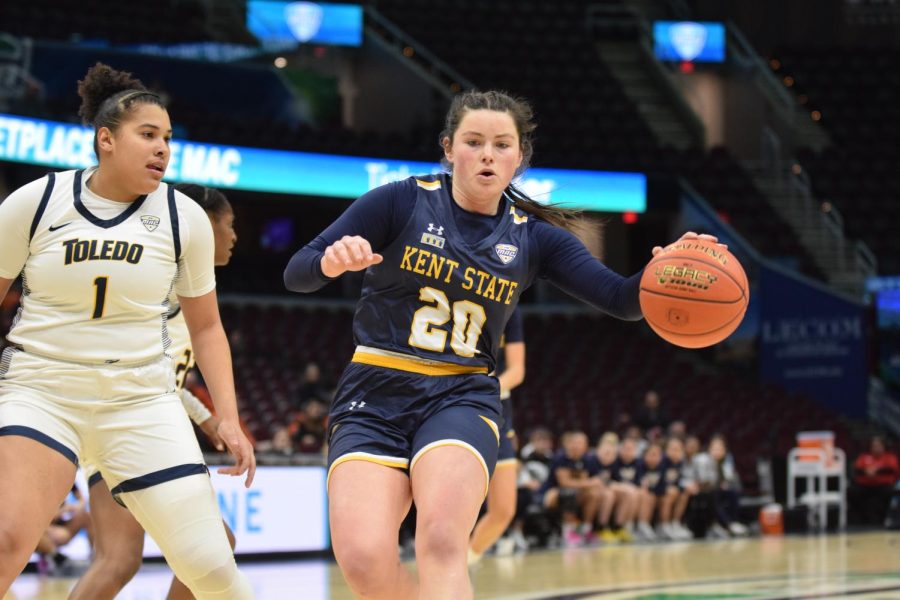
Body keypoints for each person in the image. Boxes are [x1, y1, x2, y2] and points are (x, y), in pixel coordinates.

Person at [283, 89, 720, 599]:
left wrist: (666, 270)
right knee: (362, 560)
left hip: (460, 394)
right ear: (449, 148)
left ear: (519, 158)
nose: (487, 154)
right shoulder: (400, 199)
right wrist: (330, 262)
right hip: (373, 391)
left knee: (443, 542)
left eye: (501, 144)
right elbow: (297, 273)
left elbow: (622, 300)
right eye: (473, 141)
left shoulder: (535, 238)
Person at [0, 63, 255, 598]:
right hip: (42, 390)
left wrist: (227, 419)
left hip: (141, 400)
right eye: (148, 135)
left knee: (211, 565)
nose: (163, 148)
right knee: (6, 540)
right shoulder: (35, 202)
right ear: (106, 139)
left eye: (167, 138)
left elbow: (207, 327)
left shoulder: (184, 217)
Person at [69, 183, 242, 600]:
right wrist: (208, 418)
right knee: (209, 552)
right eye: (229, 224)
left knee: (118, 561)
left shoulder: (183, 287)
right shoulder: (162, 290)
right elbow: (146, 371)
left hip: (121, 425)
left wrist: (207, 420)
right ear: (203, 224)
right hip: (128, 424)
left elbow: (161, 375)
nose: (235, 236)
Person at [468, 307, 526, 565]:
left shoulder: (510, 310)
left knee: (503, 510)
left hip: (496, 409)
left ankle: (467, 562)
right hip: (454, 407)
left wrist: (489, 390)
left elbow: (517, 370)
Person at [538, 431, 603, 548]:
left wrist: (591, 484)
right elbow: (565, 483)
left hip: (574, 493)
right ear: (570, 444)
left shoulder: (588, 459)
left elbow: (593, 481)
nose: (577, 446)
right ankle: (568, 532)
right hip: (552, 492)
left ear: (586, 446)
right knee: (569, 493)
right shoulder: (561, 457)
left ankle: (585, 529)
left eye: (581, 443)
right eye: (575, 443)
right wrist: (589, 483)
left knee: (594, 495)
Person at [850, 435, 899, 525]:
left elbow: (892, 469)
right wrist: (866, 471)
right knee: (852, 492)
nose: (876, 448)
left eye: (879, 446)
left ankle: (884, 519)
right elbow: (857, 469)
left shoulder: (890, 457)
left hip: (883, 485)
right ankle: (858, 521)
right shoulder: (864, 457)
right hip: (865, 485)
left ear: (883, 446)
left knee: (889, 493)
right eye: (874, 446)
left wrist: (877, 471)